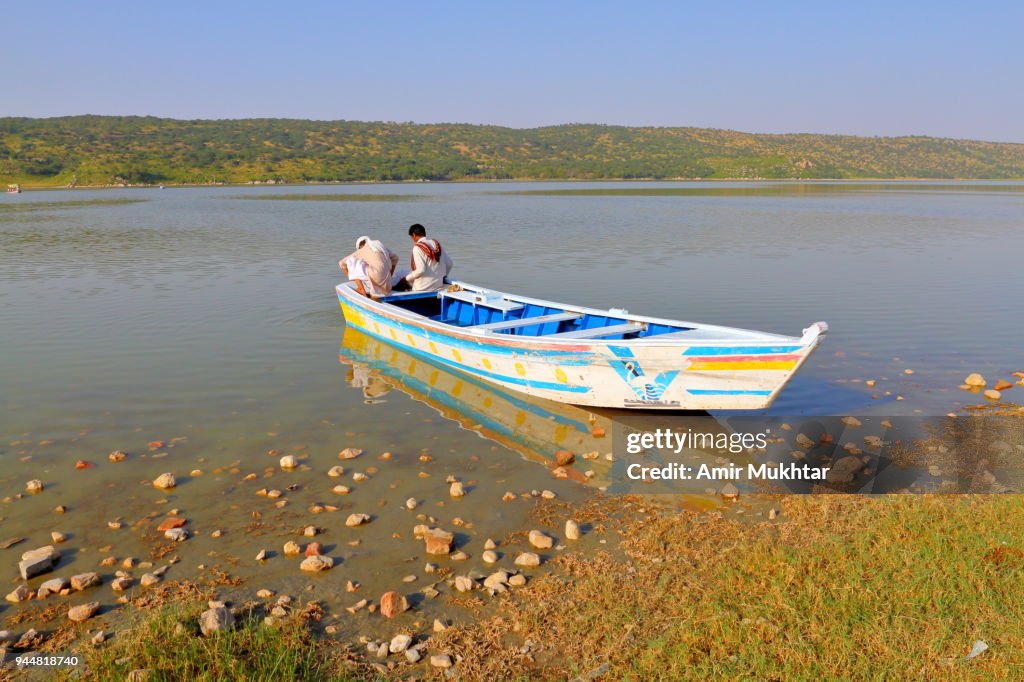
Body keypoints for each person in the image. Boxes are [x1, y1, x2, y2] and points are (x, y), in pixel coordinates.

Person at [397, 223, 453, 292]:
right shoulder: (437, 244)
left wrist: (405, 279)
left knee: (400, 274)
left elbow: (420, 271)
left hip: (422, 288)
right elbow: (449, 263)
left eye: (411, 237)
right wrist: (442, 277)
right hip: (438, 285)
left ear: (414, 235)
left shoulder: (417, 247)